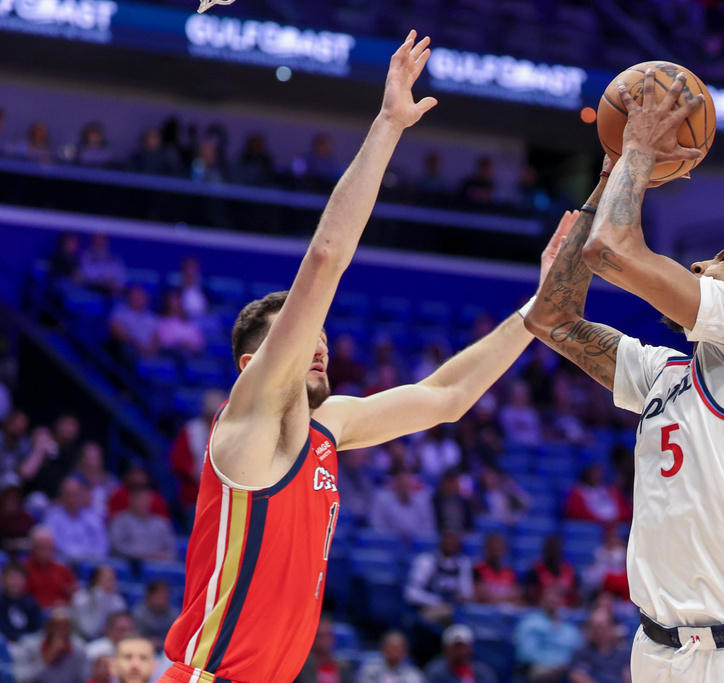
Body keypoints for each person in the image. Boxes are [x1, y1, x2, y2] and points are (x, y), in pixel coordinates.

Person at [161, 32, 572, 683]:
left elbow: (447, 397)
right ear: (250, 366)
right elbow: (325, 258)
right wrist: (388, 124)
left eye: (321, 336)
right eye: (301, 336)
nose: (318, 342)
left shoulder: (331, 425)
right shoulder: (248, 421)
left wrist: (540, 310)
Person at [524, 68, 724, 682]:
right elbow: (551, 320)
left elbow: (612, 251)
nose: (701, 264)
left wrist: (634, 147)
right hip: (659, 651)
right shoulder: (666, 373)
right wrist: (610, 169)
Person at [513, 587, 583, 683]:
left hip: (566, 669)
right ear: (542, 600)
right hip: (539, 668)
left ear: (562, 602)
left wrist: (565, 665)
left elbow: (579, 650)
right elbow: (525, 653)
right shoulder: (530, 623)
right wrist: (553, 665)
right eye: (550, 598)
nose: (554, 601)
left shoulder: (569, 629)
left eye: (557, 597)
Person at [405, 531, 473, 625]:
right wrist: (435, 601)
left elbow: (467, 593)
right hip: (428, 608)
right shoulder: (426, 561)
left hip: (454, 609)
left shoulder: (463, 563)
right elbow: (411, 593)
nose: (450, 544)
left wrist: (462, 597)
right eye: (448, 541)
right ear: (440, 542)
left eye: (454, 541)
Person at [43, 476, 109, 563]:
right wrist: (78, 556)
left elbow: (102, 543)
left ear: (81, 495)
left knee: (117, 566)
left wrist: (95, 556)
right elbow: (54, 544)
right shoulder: (52, 516)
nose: (72, 499)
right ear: (62, 496)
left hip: (92, 561)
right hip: (65, 560)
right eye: (69, 495)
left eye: (76, 494)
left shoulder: (92, 517)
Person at [108, 485, 176, 562]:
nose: (142, 503)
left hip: (157, 565)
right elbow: (116, 547)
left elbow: (171, 550)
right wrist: (140, 556)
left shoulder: (161, 523)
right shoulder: (119, 521)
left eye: (145, 499)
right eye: (138, 499)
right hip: (129, 564)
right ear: (130, 500)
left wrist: (163, 557)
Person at [567, 608, 631, 683]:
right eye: (593, 627)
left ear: (611, 628)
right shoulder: (581, 653)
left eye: (601, 627)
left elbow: (628, 676)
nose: (598, 631)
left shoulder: (623, 654)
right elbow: (576, 675)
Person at [24, 526, 77, 608]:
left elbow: (74, 594)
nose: (45, 552)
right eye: (41, 547)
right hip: (34, 611)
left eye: (48, 548)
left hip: (61, 611)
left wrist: (69, 599)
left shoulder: (63, 569)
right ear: (32, 548)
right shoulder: (24, 570)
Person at [424, 624, 497, 683]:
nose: (461, 651)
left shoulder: (484, 672)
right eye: (456, 647)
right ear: (446, 649)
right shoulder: (436, 673)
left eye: (464, 646)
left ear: (471, 648)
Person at [72, 566, 129, 641]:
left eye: (112, 579)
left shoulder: (118, 602)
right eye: (106, 579)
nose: (110, 583)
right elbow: (89, 631)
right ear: (95, 580)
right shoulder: (81, 598)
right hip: (80, 638)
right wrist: (99, 597)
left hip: (108, 640)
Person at [358, 630, 424, 683]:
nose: (394, 652)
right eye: (391, 648)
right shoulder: (369, 671)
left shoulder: (414, 675)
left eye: (398, 648)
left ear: (405, 652)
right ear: (383, 649)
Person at [0, 562, 43, 643]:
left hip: (30, 640)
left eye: (18, 578)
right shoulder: (1, 603)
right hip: (7, 642)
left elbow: (37, 626)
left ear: (25, 580)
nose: (14, 582)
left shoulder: (30, 602)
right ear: (3, 580)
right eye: (11, 578)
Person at [131, 580, 176, 647]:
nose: (163, 599)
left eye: (166, 596)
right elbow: (136, 637)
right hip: (143, 647)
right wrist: (148, 641)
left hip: (167, 648)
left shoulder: (173, 614)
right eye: (160, 596)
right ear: (149, 596)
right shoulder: (139, 613)